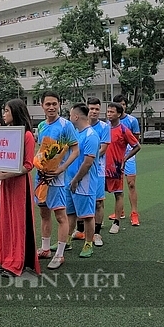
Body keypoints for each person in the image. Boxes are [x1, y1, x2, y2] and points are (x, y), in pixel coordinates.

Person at [34, 91, 79, 270]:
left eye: (54, 104)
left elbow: (75, 150)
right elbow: (41, 150)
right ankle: (45, 249)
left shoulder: (66, 125)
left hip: (58, 179)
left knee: (60, 216)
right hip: (42, 178)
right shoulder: (42, 125)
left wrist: (61, 168)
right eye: (48, 104)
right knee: (44, 213)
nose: (51, 107)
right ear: (42, 106)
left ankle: (60, 254)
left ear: (59, 104)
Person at [0, 99, 38, 277]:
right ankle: (7, 259)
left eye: (6, 111)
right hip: (6, 183)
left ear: (15, 112)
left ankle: (16, 262)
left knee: (18, 223)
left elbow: (28, 165)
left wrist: (5, 176)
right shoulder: (8, 134)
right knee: (7, 222)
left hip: (19, 185)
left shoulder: (27, 135)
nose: (4, 114)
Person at [65, 103, 100, 259]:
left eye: (70, 114)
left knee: (86, 215)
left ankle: (88, 243)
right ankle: (66, 240)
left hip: (83, 182)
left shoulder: (91, 136)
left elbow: (88, 162)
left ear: (76, 116)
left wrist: (76, 180)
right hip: (70, 180)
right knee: (70, 212)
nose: (69, 117)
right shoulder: (77, 133)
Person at [105, 103, 141, 234]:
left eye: (112, 112)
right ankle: (98, 222)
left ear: (119, 114)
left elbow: (137, 146)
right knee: (98, 197)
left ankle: (117, 222)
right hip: (101, 167)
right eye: (108, 111)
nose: (109, 114)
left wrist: (125, 159)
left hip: (116, 168)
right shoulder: (104, 127)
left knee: (118, 193)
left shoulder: (124, 129)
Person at [80, 97, 111, 247]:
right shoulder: (79, 126)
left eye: (97, 109)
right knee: (78, 199)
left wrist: (89, 157)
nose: (94, 111)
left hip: (97, 171)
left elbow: (104, 148)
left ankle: (96, 233)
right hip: (80, 169)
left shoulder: (104, 127)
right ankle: (80, 231)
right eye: (91, 108)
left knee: (98, 202)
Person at [113, 94, 142, 226]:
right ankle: (121, 211)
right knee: (116, 187)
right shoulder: (109, 122)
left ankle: (134, 213)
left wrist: (128, 155)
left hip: (128, 156)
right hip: (115, 159)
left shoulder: (132, 121)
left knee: (131, 184)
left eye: (123, 104)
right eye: (119, 105)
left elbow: (136, 141)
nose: (122, 107)